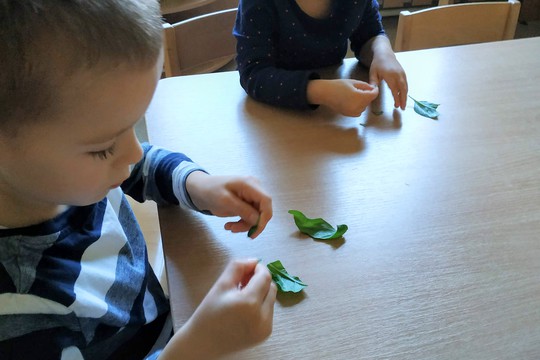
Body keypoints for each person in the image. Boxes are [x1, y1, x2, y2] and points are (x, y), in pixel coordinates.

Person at [0, 1, 276, 359]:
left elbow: (139, 163)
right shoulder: (17, 312)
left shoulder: (61, 174)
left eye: (133, 124)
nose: (132, 153)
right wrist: (199, 347)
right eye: (103, 147)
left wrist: (197, 185)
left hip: (162, 319)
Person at [233, 0, 408, 117]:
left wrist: (382, 52)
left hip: (330, 116)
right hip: (271, 113)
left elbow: (370, 33)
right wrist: (323, 92)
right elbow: (254, 73)